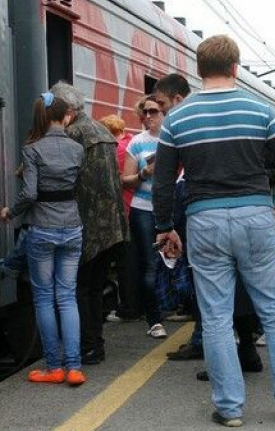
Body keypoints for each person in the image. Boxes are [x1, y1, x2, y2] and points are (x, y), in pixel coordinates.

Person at [152, 35, 275, 425]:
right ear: (236, 68)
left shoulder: (177, 118)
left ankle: (229, 408)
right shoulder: (261, 111)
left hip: (204, 221)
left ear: (199, 70)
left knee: (217, 316)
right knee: (274, 311)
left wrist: (164, 227)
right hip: (256, 217)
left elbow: (163, 181)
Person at [0, 92, 86, 386]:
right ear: (67, 117)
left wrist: (11, 211)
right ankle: (74, 367)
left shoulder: (32, 149)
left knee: (45, 299)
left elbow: (31, 193)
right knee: (68, 297)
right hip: (72, 227)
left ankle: (53, 368)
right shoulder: (77, 149)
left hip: (43, 229)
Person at [49, 83, 129, 366]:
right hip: (111, 225)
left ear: (68, 110)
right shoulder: (102, 130)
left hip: (86, 225)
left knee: (80, 289)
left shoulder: (72, 134)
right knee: (94, 288)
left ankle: (89, 347)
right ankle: (96, 346)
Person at [122, 96, 169, 339]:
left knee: (173, 263)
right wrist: (144, 173)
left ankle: (173, 307)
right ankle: (154, 319)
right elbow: (125, 180)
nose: (148, 116)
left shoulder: (173, 139)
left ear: (164, 113)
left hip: (170, 208)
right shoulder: (137, 143)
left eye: (154, 111)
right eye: (145, 112)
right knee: (150, 264)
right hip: (143, 210)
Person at [99, 114, 139, 323]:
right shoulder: (132, 142)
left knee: (125, 261)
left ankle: (128, 307)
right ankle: (133, 304)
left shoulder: (117, 149)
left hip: (123, 208)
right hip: (135, 206)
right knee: (132, 259)